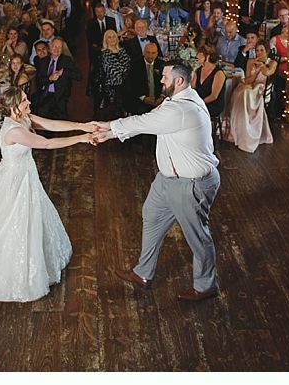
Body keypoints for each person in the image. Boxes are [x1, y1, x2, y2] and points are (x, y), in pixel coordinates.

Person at [90, 61, 222, 302]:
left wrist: (108, 126)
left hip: (190, 184)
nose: (161, 80)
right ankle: (143, 273)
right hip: (167, 180)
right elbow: (149, 120)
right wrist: (108, 134)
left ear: (179, 82)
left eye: (165, 77)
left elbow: (142, 123)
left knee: (197, 236)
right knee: (151, 214)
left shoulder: (182, 109)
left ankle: (205, 286)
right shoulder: (174, 102)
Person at [224, 42, 276, 153]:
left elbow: (268, 72)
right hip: (251, 84)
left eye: (262, 50)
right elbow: (248, 80)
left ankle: (250, 132)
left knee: (247, 94)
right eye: (257, 50)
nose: (259, 53)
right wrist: (255, 72)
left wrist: (261, 66)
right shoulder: (250, 61)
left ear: (267, 51)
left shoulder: (272, 63)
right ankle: (239, 129)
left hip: (261, 87)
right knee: (241, 92)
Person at [33, 37, 81, 119]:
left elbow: (78, 76)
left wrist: (64, 72)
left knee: (43, 112)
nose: (56, 49)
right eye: (55, 46)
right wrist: (49, 78)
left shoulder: (66, 60)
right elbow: (39, 80)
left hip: (58, 95)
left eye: (59, 47)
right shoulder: (44, 61)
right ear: (50, 47)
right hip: (43, 93)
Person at [122, 42, 164, 115]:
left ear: (157, 54)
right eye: (148, 52)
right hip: (139, 99)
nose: (150, 55)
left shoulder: (161, 65)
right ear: (143, 52)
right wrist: (143, 98)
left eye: (153, 53)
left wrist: (161, 97)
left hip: (158, 100)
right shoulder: (134, 65)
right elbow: (131, 85)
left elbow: (166, 83)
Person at [190, 45, 227, 123]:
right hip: (200, 101)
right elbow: (192, 88)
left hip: (213, 104)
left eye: (200, 54)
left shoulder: (218, 73)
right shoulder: (198, 70)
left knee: (191, 112)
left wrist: (199, 103)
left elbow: (214, 96)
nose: (197, 56)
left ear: (207, 57)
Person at [98, 29, 131, 112]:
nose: (112, 39)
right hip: (113, 84)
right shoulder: (105, 54)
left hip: (125, 81)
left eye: (114, 37)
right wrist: (124, 72)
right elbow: (112, 71)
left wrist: (125, 73)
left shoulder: (122, 51)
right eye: (109, 37)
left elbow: (129, 65)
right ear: (106, 40)